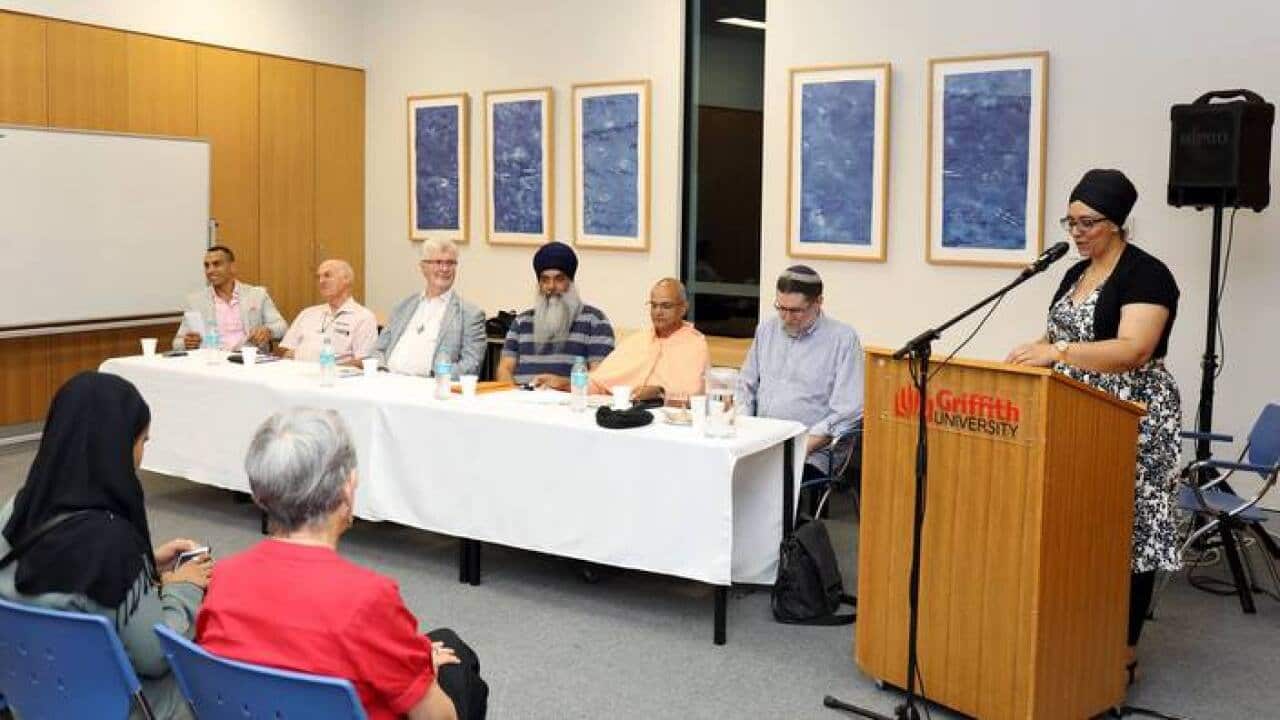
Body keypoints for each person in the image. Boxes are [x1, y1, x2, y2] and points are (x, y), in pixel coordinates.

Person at [196, 408, 488, 720]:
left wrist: (413, 658)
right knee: (459, 669)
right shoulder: (368, 599)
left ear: (259, 494)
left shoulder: (223, 578)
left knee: (446, 641)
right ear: (348, 488)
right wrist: (422, 671)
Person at [1006, 168, 1181, 682]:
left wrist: (1055, 352)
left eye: (1088, 223)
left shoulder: (1147, 274)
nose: (1077, 233)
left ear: (1117, 222)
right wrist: (1028, 355)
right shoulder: (1072, 273)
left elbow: (1134, 349)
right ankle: (1074, 630)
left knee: (1129, 529)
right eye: (1071, 222)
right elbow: (1057, 332)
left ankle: (1123, 649)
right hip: (1073, 410)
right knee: (1076, 524)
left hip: (1132, 416)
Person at [0, 372, 212, 720]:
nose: (142, 454)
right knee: (210, 680)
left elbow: (58, 567)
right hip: (115, 708)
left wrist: (144, 566)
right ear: (117, 446)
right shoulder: (112, 545)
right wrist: (183, 588)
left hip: (30, 695)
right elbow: (156, 657)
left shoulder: (16, 510)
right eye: (143, 440)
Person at [736, 265, 864, 475]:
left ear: (818, 303)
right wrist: (745, 426)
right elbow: (745, 386)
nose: (786, 317)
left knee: (775, 480)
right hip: (761, 440)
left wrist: (803, 445)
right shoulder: (767, 330)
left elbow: (848, 410)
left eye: (795, 310)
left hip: (813, 448)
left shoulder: (842, 339)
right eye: (781, 308)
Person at [497, 241, 614, 387]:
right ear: (539, 284)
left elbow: (600, 379)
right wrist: (514, 396)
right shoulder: (521, 322)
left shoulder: (595, 322)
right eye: (545, 280)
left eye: (559, 279)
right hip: (522, 403)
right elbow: (504, 370)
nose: (551, 287)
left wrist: (562, 384)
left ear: (570, 282)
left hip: (569, 404)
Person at [370, 239, 487, 377]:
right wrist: (382, 371)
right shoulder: (402, 307)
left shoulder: (470, 314)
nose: (444, 269)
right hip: (387, 381)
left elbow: (472, 365)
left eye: (450, 263)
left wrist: (437, 375)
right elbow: (377, 350)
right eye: (438, 262)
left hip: (430, 388)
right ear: (423, 267)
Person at [582, 278, 709, 404]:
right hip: (626, 413)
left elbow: (695, 397)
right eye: (654, 305)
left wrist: (660, 393)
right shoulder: (637, 340)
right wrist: (573, 385)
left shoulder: (695, 345)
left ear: (683, 308)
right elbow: (599, 381)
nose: (658, 312)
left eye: (666, 306)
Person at [172, 245, 287, 351]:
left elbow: (282, 327)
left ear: (232, 267)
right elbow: (177, 342)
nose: (210, 270)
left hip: (250, 360)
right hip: (213, 362)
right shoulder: (196, 301)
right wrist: (185, 342)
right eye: (207, 265)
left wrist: (268, 331)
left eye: (216, 264)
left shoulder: (257, 295)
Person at [277, 259, 377, 366]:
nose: (321, 281)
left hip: (335, 378)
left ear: (346, 279)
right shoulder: (308, 313)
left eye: (327, 275)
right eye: (318, 277)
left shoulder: (363, 317)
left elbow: (363, 361)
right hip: (297, 373)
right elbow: (284, 348)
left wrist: (327, 370)